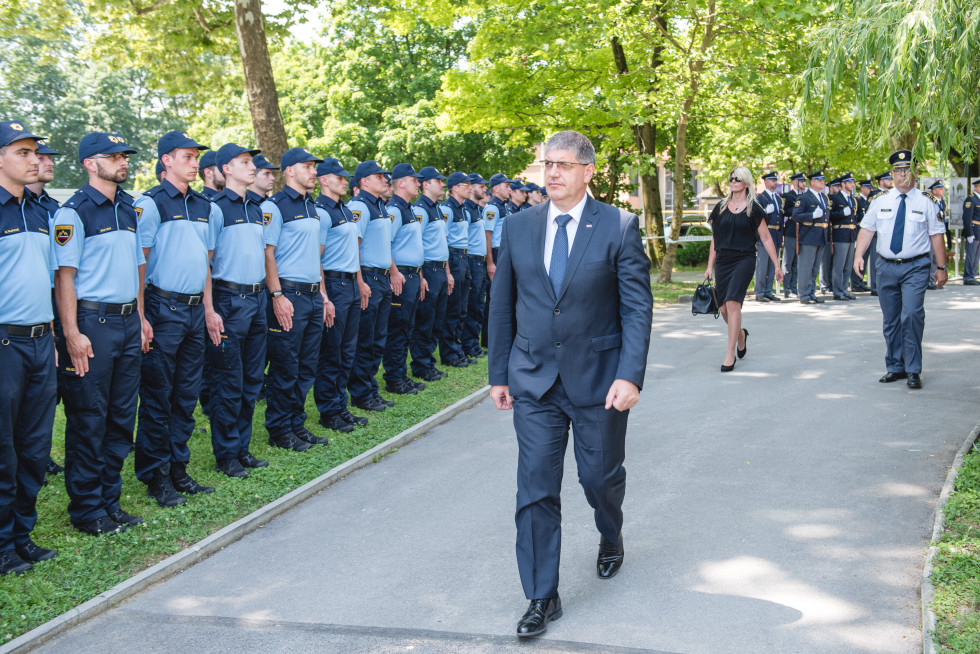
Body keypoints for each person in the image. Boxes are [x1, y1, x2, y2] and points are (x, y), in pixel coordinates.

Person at [488, 130, 653, 638]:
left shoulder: (619, 226)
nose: (551, 173)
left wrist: (629, 375)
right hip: (534, 381)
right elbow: (502, 305)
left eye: (562, 165)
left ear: (587, 172)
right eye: (546, 164)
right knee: (535, 489)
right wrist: (499, 373)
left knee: (598, 478)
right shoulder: (518, 227)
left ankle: (611, 532)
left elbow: (636, 308)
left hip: (599, 381)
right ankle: (542, 595)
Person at [53, 132, 145, 536]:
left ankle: (110, 500)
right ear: (91, 163)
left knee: (122, 418)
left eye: (124, 156)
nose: (123, 161)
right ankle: (87, 509)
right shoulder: (73, 212)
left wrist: (141, 316)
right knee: (90, 419)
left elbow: (137, 269)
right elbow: (65, 279)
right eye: (114, 156)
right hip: (93, 326)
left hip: (127, 323)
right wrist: (71, 333)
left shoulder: (128, 207)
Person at [134, 131, 215, 507]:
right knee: (158, 396)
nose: (194, 162)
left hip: (196, 310)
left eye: (196, 156)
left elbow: (206, 264)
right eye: (186, 156)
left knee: (185, 396)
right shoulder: (150, 205)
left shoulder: (204, 206)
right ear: (166, 160)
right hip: (162, 310)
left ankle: (178, 469)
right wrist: (140, 315)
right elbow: (139, 264)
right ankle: (156, 475)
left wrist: (210, 309)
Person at [0, 121, 58, 575]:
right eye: (22, 152)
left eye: (34, 152)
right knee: (4, 449)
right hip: (4, 344)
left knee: (35, 448)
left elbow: (52, 282)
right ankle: (2, 546)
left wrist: (57, 335)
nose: (34, 159)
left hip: (41, 342)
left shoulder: (40, 212)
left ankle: (22, 536)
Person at [854, 150, 947, 389]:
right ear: (892, 174)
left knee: (912, 315)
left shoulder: (927, 202)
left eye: (906, 170)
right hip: (885, 266)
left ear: (915, 172)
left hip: (915, 266)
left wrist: (942, 267)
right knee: (891, 318)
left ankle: (914, 369)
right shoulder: (880, 201)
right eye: (897, 170)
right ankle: (895, 366)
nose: (901, 174)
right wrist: (858, 255)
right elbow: (867, 229)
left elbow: (937, 235)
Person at [205, 143, 270, 478]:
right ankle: (226, 453)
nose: (252, 167)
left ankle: (242, 448)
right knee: (228, 380)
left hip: (257, 299)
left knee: (251, 379)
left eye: (252, 162)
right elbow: (207, 259)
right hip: (229, 300)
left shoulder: (256, 208)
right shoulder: (215, 208)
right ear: (226, 169)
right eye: (244, 162)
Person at [263, 147, 334, 452]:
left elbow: (315, 257)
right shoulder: (275, 206)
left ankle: (296, 423)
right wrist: (277, 295)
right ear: (289, 171)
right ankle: (279, 429)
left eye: (314, 167)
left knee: (307, 367)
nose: (313, 172)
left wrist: (323, 294)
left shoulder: (312, 207)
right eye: (307, 166)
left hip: (311, 295)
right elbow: (268, 253)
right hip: (288, 295)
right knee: (285, 367)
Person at [705, 166, 783, 371]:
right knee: (722, 308)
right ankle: (740, 334)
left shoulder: (754, 209)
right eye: (731, 178)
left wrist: (777, 265)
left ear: (746, 183)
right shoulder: (721, 207)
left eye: (737, 179)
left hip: (744, 259)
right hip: (723, 260)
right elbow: (715, 238)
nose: (733, 181)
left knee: (732, 303)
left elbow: (766, 238)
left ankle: (730, 353)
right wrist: (709, 266)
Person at [314, 158, 368, 433]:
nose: (345, 181)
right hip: (334, 284)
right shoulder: (321, 212)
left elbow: (354, 251)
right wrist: (324, 295)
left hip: (350, 284)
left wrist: (359, 282)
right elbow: (317, 258)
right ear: (324, 180)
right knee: (332, 352)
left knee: (347, 351)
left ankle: (340, 406)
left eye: (346, 178)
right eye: (339, 178)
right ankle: (329, 411)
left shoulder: (344, 210)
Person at [26, 140, 66, 479]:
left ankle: (41, 454)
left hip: (53, 304)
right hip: (20, 316)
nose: (48, 162)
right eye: (41, 156)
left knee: (51, 385)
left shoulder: (51, 208)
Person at [348, 161, 398, 412]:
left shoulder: (380, 204)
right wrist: (359, 281)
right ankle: (360, 393)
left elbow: (384, 245)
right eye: (379, 176)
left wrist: (394, 272)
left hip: (383, 277)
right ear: (364, 181)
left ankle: (371, 389)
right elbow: (353, 246)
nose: (385, 180)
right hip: (368, 277)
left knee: (378, 340)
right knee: (365, 340)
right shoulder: (359, 206)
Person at [382, 163, 427, 395]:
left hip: (412, 274)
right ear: (401, 183)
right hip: (400, 275)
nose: (418, 183)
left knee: (407, 327)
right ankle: (393, 378)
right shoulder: (394, 210)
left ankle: (401, 375)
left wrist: (419, 276)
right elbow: (385, 243)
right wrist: (393, 272)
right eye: (414, 180)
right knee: (397, 328)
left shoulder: (406, 208)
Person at [409, 166, 453, 383]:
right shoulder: (420, 210)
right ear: (426, 184)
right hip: (427, 269)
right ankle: (420, 365)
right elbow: (416, 245)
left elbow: (441, 243)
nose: (442, 184)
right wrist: (420, 276)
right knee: (425, 320)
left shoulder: (436, 208)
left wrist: (448, 273)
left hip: (440, 270)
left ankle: (429, 362)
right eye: (438, 181)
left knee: (437, 320)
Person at [439, 172, 473, 368]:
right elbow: (443, 240)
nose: (470, 188)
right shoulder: (447, 209)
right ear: (454, 188)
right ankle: (449, 353)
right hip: (453, 257)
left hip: (464, 257)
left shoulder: (464, 210)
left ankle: (457, 349)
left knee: (461, 309)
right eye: (465, 184)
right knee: (452, 309)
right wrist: (448, 270)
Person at [483, 173, 513, 348]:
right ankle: (487, 339)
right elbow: (488, 235)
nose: (509, 189)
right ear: (495, 188)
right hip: (495, 253)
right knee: (492, 297)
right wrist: (490, 262)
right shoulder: (492, 208)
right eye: (506, 186)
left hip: (502, 252)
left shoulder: (504, 206)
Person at [462, 173, 489, 358]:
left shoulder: (477, 209)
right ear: (471, 188)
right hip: (470, 260)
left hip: (479, 261)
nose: (484, 189)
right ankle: (468, 345)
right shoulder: (466, 209)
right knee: (471, 306)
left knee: (479, 304)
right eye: (481, 186)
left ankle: (474, 344)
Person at [793, 170, 830, 305]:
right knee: (806, 267)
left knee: (814, 268)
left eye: (823, 180)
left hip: (821, 236)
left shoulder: (824, 198)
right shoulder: (804, 198)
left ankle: (811, 293)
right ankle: (804, 294)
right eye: (819, 180)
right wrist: (812, 215)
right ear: (812, 182)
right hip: (808, 236)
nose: (822, 182)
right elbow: (796, 215)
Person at [753, 170, 782, 302]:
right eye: (771, 180)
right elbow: (755, 215)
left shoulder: (778, 198)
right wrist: (764, 211)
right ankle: (759, 292)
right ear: (765, 182)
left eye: (775, 180)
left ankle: (768, 291)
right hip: (765, 233)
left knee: (772, 264)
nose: (774, 182)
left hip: (776, 233)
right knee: (763, 264)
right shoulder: (759, 197)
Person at [829, 172, 859, 300]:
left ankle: (844, 289)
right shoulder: (835, 198)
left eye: (852, 182)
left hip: (851, 235)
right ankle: (837, 291)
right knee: (839, 265)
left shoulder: (852, 199)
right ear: (843, 184)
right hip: (840, 234)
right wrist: (841, 213)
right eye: (850, 182)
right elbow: (829, 215)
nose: (852, 185)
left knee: (848, 266)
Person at [781, 172, 805, 298]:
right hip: (791, 229)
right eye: (801, 181)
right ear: (795, 182)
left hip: (801, 231)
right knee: (788, 261)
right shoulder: (788, 196)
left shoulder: (805, 196)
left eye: (804, 182)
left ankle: (794, 287)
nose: (803, 184)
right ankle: (787, 288)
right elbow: (784, 211)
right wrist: (797, 210)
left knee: (797, 262)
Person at [850, 179, 874, 292]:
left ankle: (860, 281)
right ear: (862, 188)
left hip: (868, 232)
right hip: (859, 231)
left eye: (870, 188)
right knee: (859, 257)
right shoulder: (857, 200)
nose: (869, 190)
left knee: (865, 258)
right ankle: (855, 283)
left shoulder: (868, 202)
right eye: (868, 187)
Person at [962, 179, 980, 286]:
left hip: (979, 231)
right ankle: (968, 276)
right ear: (975, 187)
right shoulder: (971, 199)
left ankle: (972, 275)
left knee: (977, 256)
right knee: (971, 255)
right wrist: (969, 233)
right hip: (973, 230)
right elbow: (967, 217)